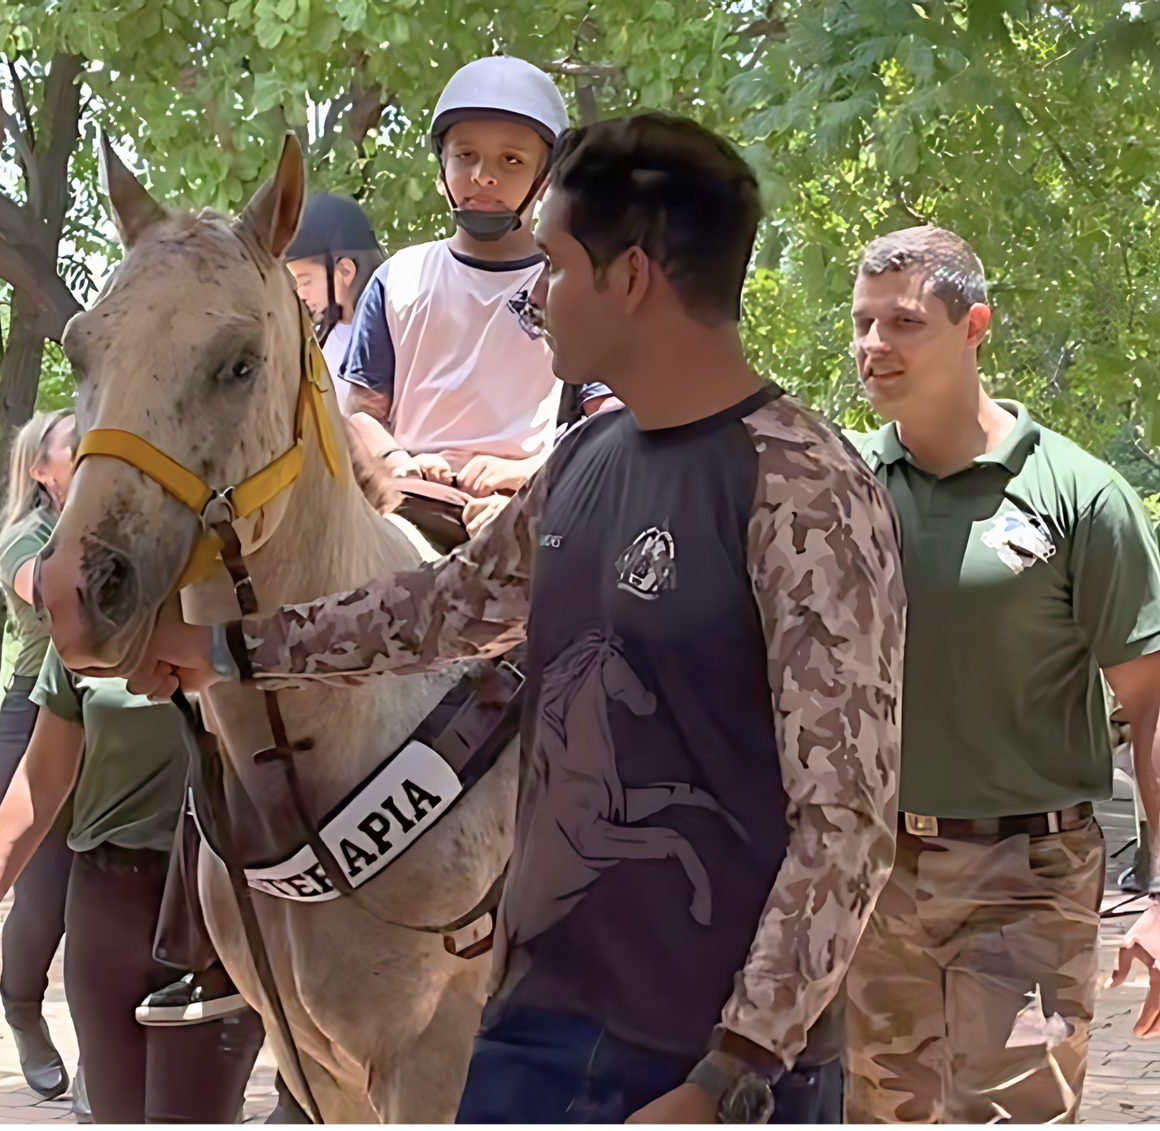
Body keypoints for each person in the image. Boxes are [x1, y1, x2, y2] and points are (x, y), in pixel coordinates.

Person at [129, 114, 907, 1124]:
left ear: (629, 280)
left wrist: (729, 1073)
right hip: (534, 1033)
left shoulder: (805, 488)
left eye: (553, 264)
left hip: (707, 1060)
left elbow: (844, 823)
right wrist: (224, 649)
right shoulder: (588, 462)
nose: (536, 295)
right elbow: (439, 612)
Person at [840, 226, 1160, 1122]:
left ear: (973, 324)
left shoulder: (1081, 495)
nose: (873, 345)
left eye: (902, 322)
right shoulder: (845, 487)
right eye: (862, 323)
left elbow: (1151, 703)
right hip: (878, 879)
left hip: (1028, 875)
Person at [0, 651, 265, 1123]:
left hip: (225, 899)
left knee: (198, 1111)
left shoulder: (244, 618)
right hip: (109, 895)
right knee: (116, 1109)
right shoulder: (84, 632)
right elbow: (41, 778)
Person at [340, 55, 611, 500]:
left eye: (511, 160)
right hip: (411, 504)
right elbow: (362, 414)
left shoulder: (574, 285)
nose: (483, 176)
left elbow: (611, 424)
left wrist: (529, 470)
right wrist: (397, 462)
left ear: (547, 180)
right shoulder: (396, 280)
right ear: (441, 170)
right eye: (466, 155)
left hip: (532, 509)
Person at [0, 410, 79, 1098]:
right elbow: (52, 591)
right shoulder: (27, 538)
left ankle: (105, 1046)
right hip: (37, 718)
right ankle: (22, 1006)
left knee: (115, 898)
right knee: (45, 900)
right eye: (76, 445)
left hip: (126, 724)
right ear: (40, 469)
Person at [282, 193, 386, 375]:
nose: (301, 294)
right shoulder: (323, 339)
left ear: (345, 271)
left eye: (306, 281)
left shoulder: (398, 332)